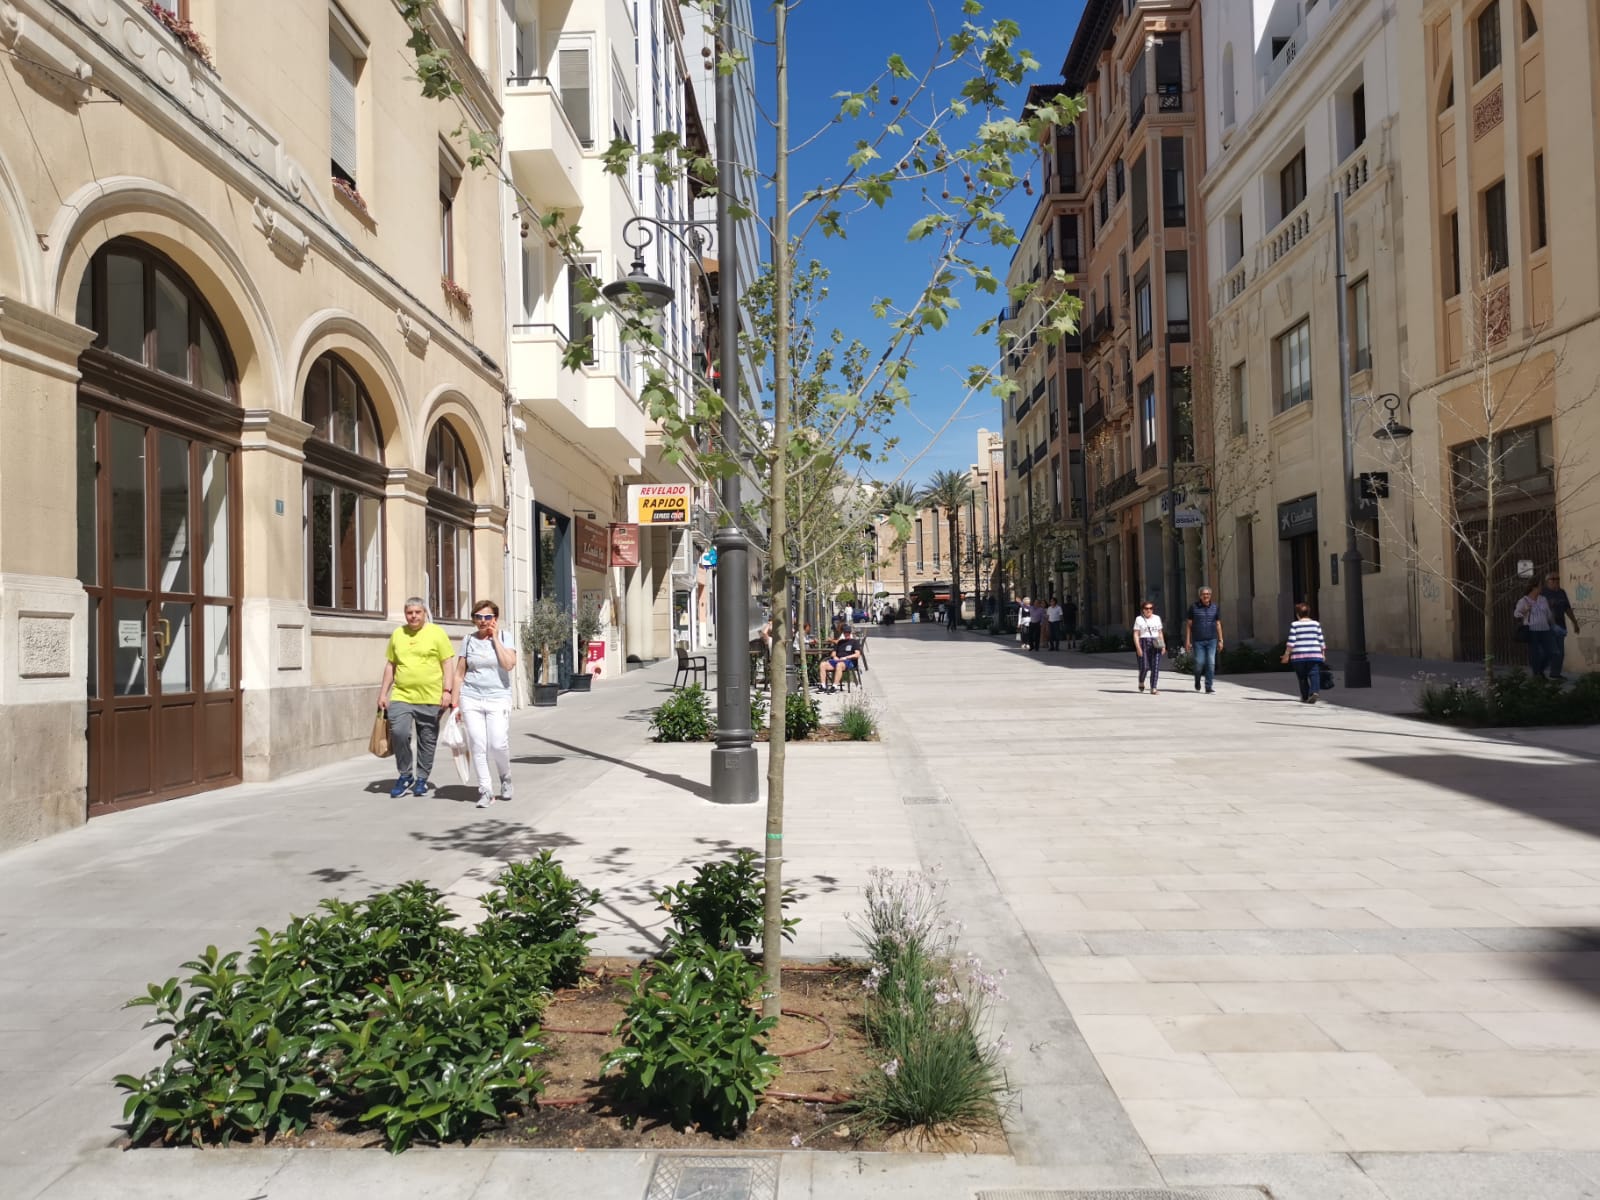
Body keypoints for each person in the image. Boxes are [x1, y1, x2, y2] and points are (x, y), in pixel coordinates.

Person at [378, 597, 456, 797]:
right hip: (402, 695)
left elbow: (447, 663)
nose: (413, 616)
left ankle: (422, 778)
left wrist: (447, 691)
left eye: (417, 612)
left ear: (424, 613)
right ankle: (405, 775)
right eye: (409, 612)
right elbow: (391, 665)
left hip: (431, 697)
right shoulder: (398, 634)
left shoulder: (436, 633)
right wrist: (383, 693)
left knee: (427, 739)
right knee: (399, 733)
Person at [453, 600, 518, 810]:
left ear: (495, 619)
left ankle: (505, 777)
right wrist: (455, 704)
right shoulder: (468, 640)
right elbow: (459, 674)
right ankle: (485, 790)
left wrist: (495, 639)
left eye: (488, 617)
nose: (483, 621)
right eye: (479, 617)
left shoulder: (505, 637)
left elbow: (508, 665)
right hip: (471, 697)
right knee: (478, 744)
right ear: (473, 619)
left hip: (498, 697)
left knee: (498, 743)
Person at [1281, 602, 1327, 703]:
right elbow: (1321, 640)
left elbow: (1291, 641)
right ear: (1308, 613)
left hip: (1298, 656)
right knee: (1314, 674)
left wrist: (1286, 654)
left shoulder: (1295, 625)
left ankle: (1305, 696)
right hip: (1314, 654)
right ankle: (1314, 692)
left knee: (1302, 677)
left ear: (1297, 614)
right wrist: (1323, 654)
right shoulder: (1316, 624)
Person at [1543, 570, 1582, 682]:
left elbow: (1567, 608)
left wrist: (1575, 623)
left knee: (1560, 651)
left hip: (1560, 627)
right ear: (1547, 582)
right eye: (1553, 579)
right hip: (1547, 627)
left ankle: (1555, 674)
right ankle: (1539, 673)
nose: (1556, 581)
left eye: (1558, 579)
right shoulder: (1543, 593)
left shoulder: (1561, 592)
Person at [1184, 586, 1225, 694]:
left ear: (1210, 595)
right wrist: (1188, 641)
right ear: (1200, 596)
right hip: (1198, 640)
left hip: (1212, 639)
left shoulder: (1215, 607)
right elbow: (1188, 625)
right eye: (1204, 594)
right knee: (1199, 663)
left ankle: (1208, 686)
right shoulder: (1193, 607)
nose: (1206, 596)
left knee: (1211, 663)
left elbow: (1218, 624)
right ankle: (1197, 680)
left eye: (1208, 594)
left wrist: (1221, 640)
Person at [1514, 579, 1555, 678]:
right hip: (1532, 630)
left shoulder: (1543, 599)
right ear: (1534, 588)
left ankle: (1540, 670)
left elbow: (1548, 613)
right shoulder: (1523, 600)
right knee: (1535, 653)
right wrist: (1525, 610)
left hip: (1545, 629)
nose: (1542, 588)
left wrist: (1553, 625)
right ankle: (1537, 673)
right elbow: (1516, 614)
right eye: (1540, 586)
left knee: (1550, 651)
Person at [1133, 600, 1165, 693]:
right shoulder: (1139, 619)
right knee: (1145, 667)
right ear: (1143, 610)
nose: (1149, 610)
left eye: (1151, 608)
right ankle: (1141, 681)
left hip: (1156, 642)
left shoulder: (1157, 618)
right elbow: (1136, 634)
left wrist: (1163, 645)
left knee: (1155, 667)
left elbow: (1160, 632)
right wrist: (1138, 648)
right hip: (1143, 642)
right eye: (1146, 608)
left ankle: (1153, 688)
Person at [822, 625, 862, 692]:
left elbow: (857, 654)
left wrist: (846, 657)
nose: (847, 634)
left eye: (848, 632)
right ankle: (823, 686)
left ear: (850, 633)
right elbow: (833, 653)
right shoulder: (840, 642)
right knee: (823, 664)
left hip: (849, 662)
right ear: (843, 633)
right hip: (838, 661)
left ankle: (834, 687)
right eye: (845, 632)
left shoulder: (854, 642)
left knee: (839, 665)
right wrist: (835, 657)